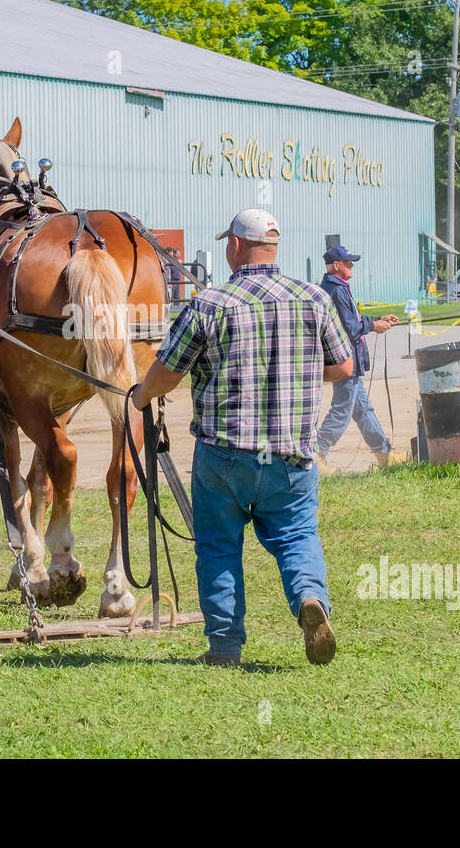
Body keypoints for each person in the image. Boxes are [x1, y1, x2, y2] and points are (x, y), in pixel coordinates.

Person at [130, 208, 354, 667]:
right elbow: (345, 367)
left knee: (218, 546)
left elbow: (167, 374)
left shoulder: (210, 303)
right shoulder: (313, 299)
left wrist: (139, 397)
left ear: (234, 246)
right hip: (293, 456)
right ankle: (310, 597)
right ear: (274, 248)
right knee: (296, 537)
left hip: (224, 456)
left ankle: (226, 647)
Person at [315, 245, 405, 469]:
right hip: (345, 359)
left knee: (364, 410)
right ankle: (316, 453)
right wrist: (374, 326)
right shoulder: (336, 290)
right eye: (348, 263)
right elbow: (350, 327)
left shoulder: (338, 287)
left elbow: (353, 318)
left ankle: (385, 455)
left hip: (349, 358)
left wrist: (378, 318)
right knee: (342, 410)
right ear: (336, 266)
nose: (352, 266)